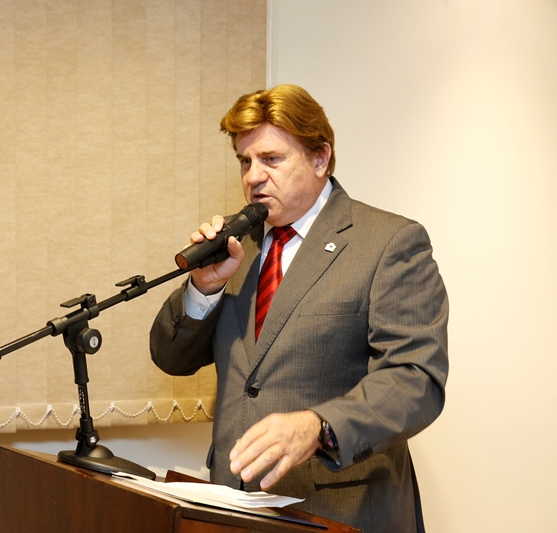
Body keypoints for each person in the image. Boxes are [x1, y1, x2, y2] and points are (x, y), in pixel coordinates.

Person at [150, 84, 448, 533]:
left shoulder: (388, 243)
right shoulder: (235, 243)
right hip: (234, 505)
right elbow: (172, 358)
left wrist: (319, 426)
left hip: (340, 511)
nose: (253, 176)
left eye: (271, 159)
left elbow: (416, 380)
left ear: (320, 158)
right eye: (245, 161)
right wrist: (203, 289)